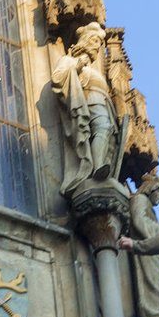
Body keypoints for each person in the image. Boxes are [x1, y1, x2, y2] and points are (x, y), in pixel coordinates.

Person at [51, 20, 119, 192]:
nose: (98, 46)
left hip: (103, 103)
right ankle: (96, 167)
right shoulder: (69, 59)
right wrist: (78, 64)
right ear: (86, 40)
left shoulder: (92, 68)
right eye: (95, 41)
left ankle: (102, 167)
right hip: (91, 100)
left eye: (100, 43)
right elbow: (58, 78)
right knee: (102, 128)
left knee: (107, 133)